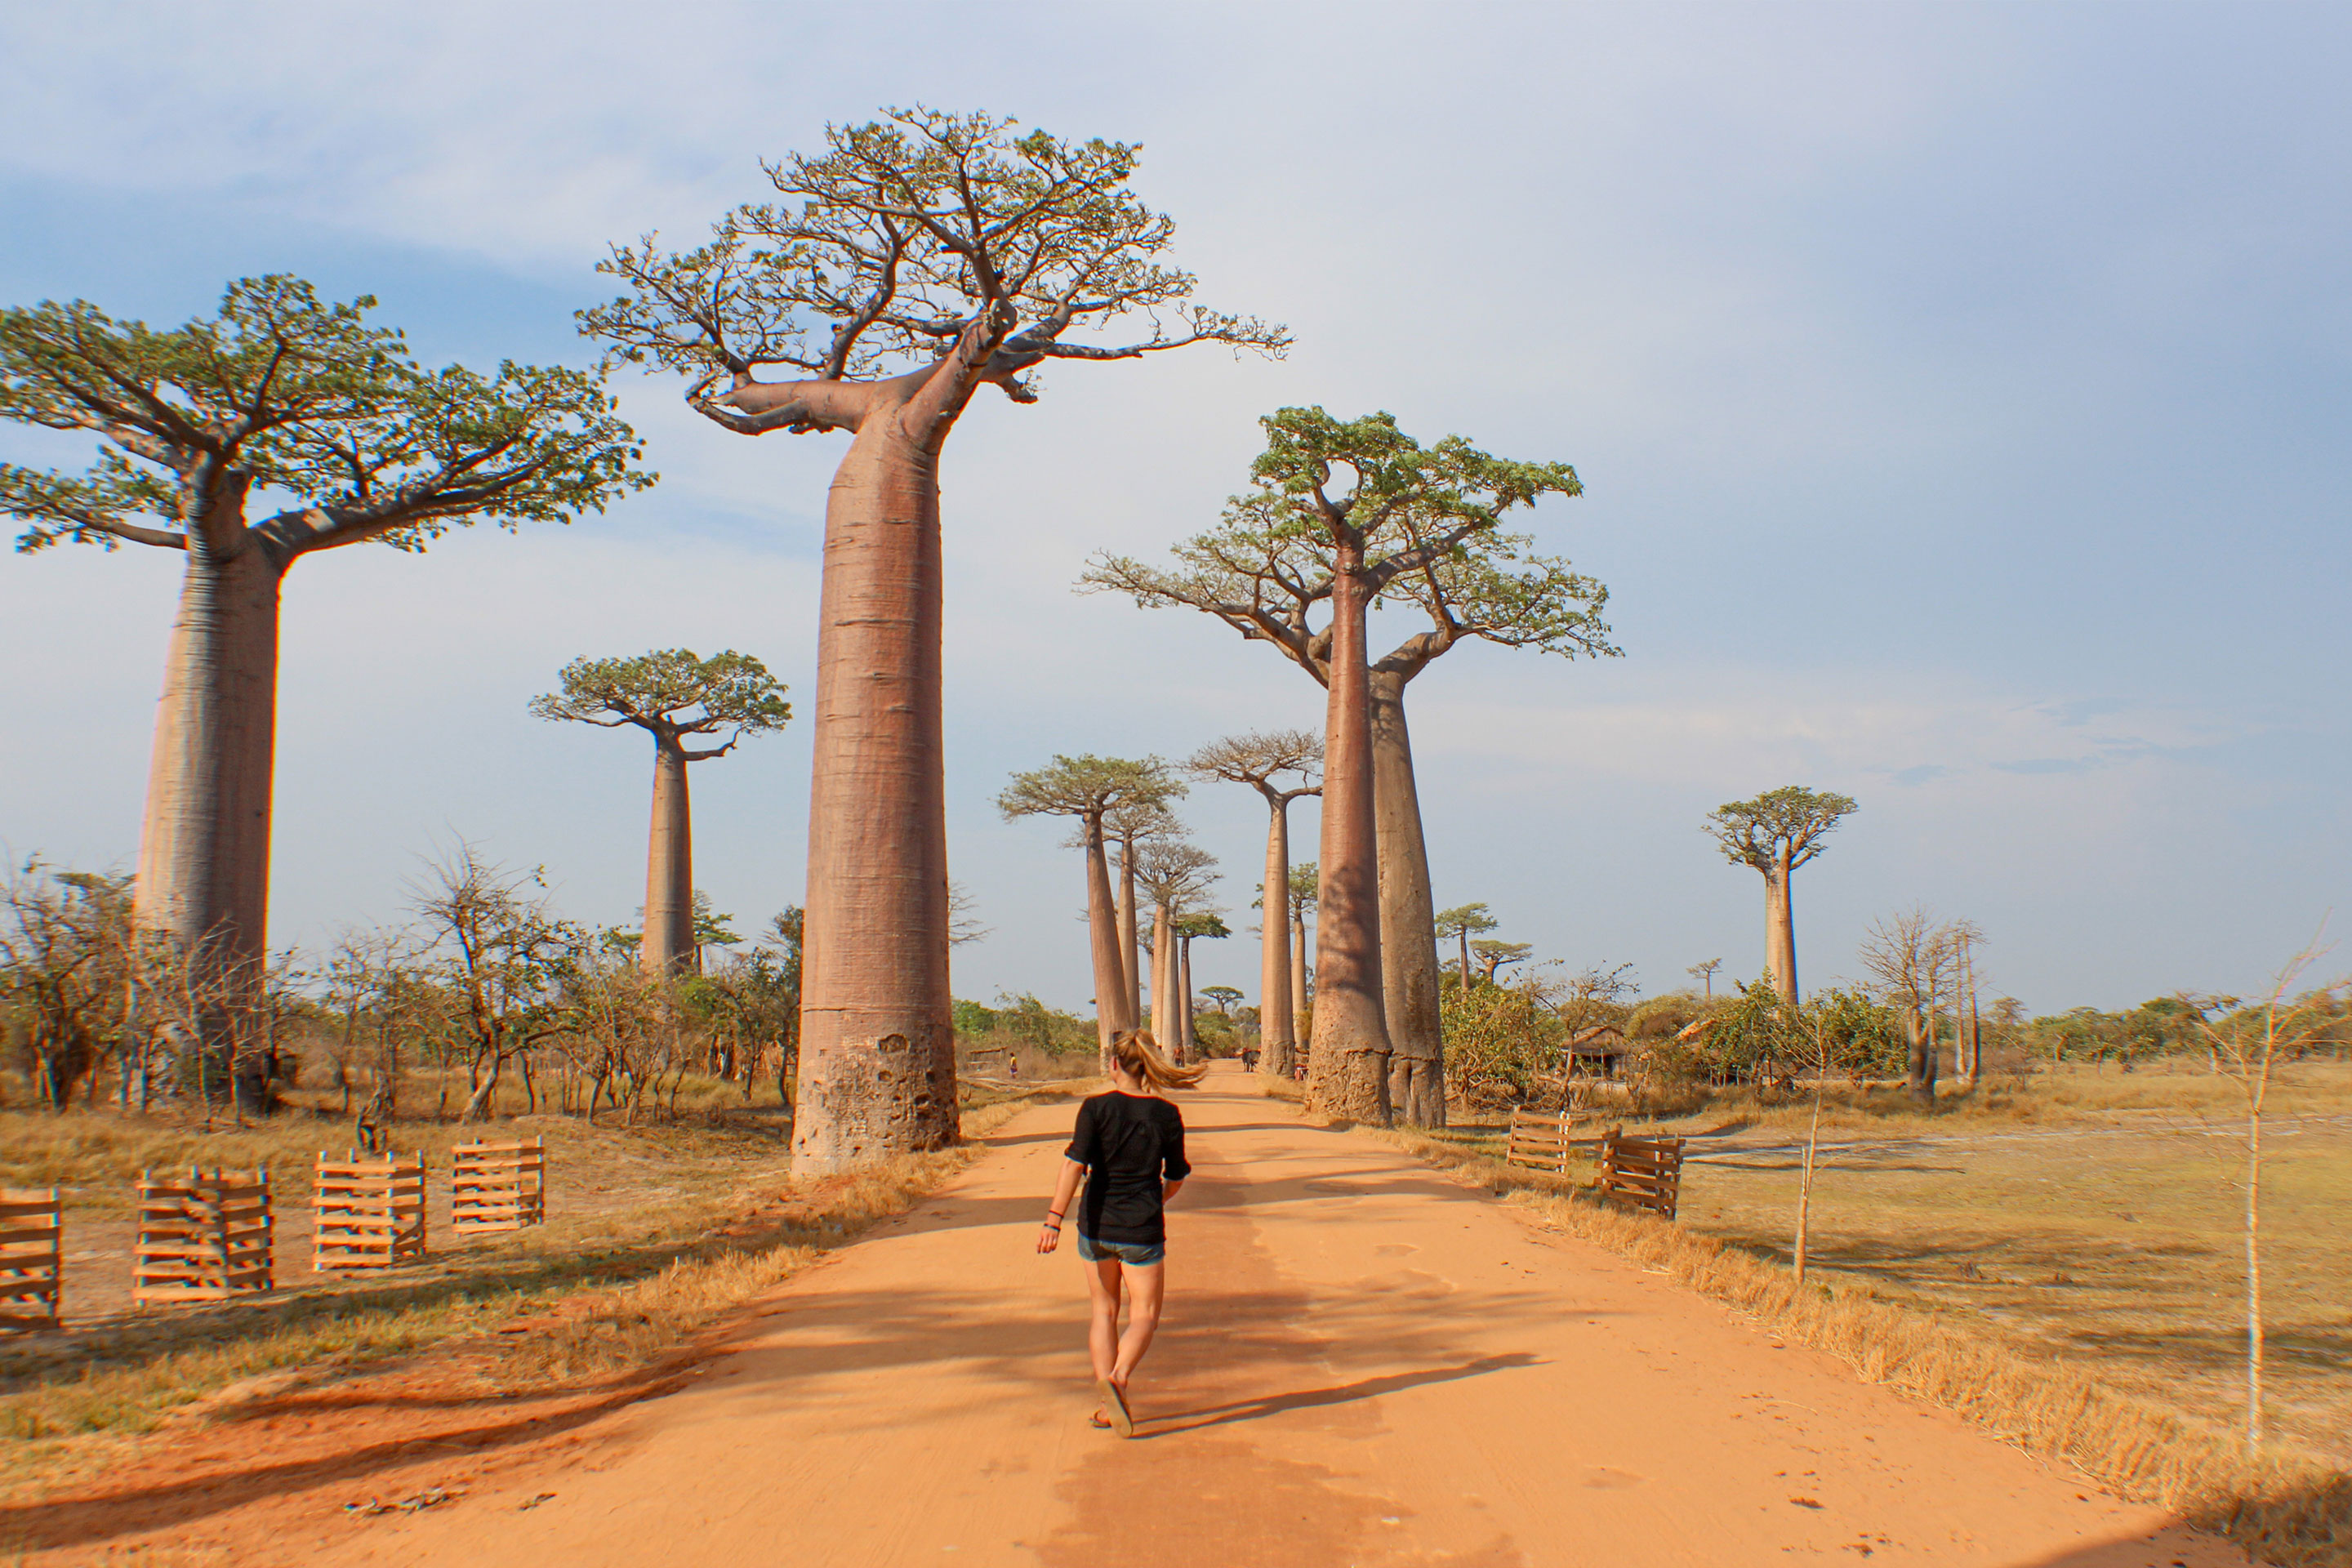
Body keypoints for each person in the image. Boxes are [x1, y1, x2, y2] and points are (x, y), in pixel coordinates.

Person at [1036, 1028, 1203, 1437]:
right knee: (1144, 1315)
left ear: (1114, 1065)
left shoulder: (1095, 1108)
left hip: (1096, 1227)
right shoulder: (1166, 1114)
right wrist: (1157, 1199)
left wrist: (1053, 1220)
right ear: (1146, 1067)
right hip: (1142, 1229)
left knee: (1104, 1312)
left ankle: (1106, 1406)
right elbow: (1176, 1176)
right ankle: (1119, 1377)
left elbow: (1074, 1165)